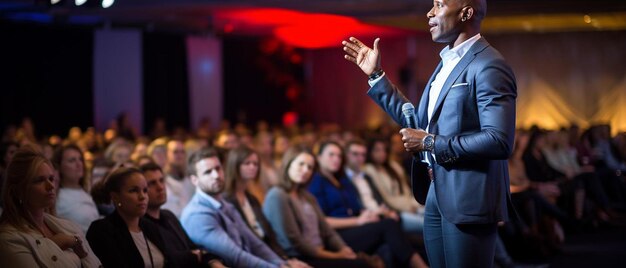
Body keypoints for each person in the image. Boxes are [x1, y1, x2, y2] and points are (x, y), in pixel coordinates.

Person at [342, 0, 517, 266]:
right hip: (437, 191)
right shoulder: (446, 63)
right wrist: (377, 76)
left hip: (468, 198)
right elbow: (418, 124)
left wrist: (430, 142)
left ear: (466, 13)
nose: (430, 12)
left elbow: (499, 140)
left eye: (439, 5)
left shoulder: (489, 65)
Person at [180, 147, 308, 268]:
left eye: (218, 169)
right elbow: (235, 256)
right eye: (208, 172)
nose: (216, 175)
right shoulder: (197, 214)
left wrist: (282, 264)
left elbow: (255, 243)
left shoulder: (225, 204)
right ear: (194, 180)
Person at [309, 140, 428, 268]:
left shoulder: (341, 180)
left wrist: (368, 215)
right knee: (389, 225)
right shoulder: (316, 182)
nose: (336, 159)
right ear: (319, 157)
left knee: (392, 245)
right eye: (331, 155)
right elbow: (323, 221)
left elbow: (356, 208)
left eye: (339, 156)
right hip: (337, 236)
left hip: (355, 227)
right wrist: (358, 221)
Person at [263, 145, 373, 268]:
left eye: (310, 167)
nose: (305, 170)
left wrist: (343, 248)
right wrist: (336, 256)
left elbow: (327, 230)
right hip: (300, 258)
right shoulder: (277, 195)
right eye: (301, 164)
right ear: (289, 163)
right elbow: (295, 243)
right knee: (360, 264)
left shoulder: (307, 196)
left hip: (321, 251)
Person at [0, 146, 101, 267]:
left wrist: (77, 248)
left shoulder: (67, 226)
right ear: (18, 190)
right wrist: (55, 244)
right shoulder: (9, 239)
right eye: (39, 180)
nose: (50, 186)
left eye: (51, 179)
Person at [140, 162, 225, 268]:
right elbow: (168, 261)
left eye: (162, 181)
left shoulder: (168, 216)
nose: (160, 187)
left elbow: (193, 248)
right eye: (152, 183)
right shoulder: (141, 224)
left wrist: (213, 262)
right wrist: (191, 256)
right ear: (141, 190)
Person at [87, 167, 174, 267]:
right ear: (115, 197)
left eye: (145, 190)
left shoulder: (150, 227)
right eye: (133, 190)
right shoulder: (102, 230)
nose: (142, 196)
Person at [223, 145, 286, 257]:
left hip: (269, 253)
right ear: (235, 165)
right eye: (247, 163)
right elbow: (242, 239)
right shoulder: (226, 200)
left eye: (255, 164)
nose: (253, 167)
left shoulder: (252, 199)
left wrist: (284, 258)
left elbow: (269, 234)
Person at [52, 144, 100, 233]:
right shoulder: (56, 197)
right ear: (59, 167)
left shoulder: (85, 192)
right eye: (72, 160)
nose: (79, 164)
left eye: (80, 159)